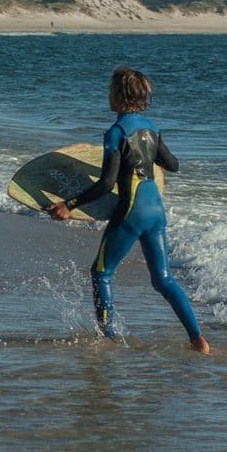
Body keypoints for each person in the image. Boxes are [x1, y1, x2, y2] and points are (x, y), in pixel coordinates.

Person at [47, 67, 210, 355]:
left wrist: (68, 205)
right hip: (156, 210)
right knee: (164, 279)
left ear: (120, 96)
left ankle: (108, 337)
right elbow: (173, 165)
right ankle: (198, 339)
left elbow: (106, 183)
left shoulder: (116, 132)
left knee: (101, 273)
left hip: (132, 209)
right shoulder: (152, 129)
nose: (107, 96)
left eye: (110, 91)